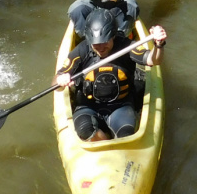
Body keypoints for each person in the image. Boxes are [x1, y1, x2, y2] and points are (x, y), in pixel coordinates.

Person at [55, 9, 168, 141]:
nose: (101, 47)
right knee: (86, 131)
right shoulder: (82, 50)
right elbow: (57, 84)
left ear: (113, 36)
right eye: (96, 44)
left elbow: (153, 60)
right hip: (88, 106)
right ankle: (103, 140)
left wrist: (159, 45)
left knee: (126, 135)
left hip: (121, 106)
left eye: (105, 42)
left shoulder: (125, 46)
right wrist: (60, 80)